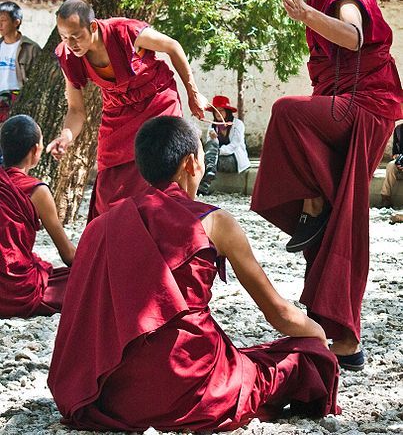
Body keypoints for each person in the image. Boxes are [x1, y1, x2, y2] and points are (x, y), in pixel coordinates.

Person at [48, 116, 339, 432]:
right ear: (191, 163)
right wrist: (318, 336)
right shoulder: (214, 222)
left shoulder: (101, 226)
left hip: (112, 396)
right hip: (193, 386)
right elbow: (279, 313)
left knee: (245, 355)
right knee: (306, 357)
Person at [251, 0, 403, 371]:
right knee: (339, 218)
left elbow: (354, 37)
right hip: (337, 102)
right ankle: (339, 338)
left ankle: (312, 209)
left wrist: (308, 17)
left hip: (365, 106)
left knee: (284, 111)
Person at [46, 0, 207, 221]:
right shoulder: (68, 56)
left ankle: (175, 221)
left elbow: (172, 46)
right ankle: (117, 231)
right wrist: (66, 136)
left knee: (166, 163)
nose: (71, 44)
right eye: (64, 37)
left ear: (92, 27)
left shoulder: (125, 31)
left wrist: (193, 92)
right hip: (118, 112)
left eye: (76, 36)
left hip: (157, 101)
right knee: (109, 181)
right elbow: (76, 109)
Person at [0, 115, 74, 318]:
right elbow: (68, 255)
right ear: (35, 150)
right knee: (86, 283)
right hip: (17, 292)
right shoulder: (37, 191)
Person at [198, 94, 250, 195]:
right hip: (217, 159)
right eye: (216, 111)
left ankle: (205, 183)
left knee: (208, 161)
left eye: (221, 110)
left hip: (233, 160)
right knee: (210, 145)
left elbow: (234, 145)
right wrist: (214, 139)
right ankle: (205, 184)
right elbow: (211, 145)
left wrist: (218, 151)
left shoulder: (238, 124)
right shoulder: (212, 126)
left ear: (227, 111)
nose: (218, 113)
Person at [0, 1, 41, 123]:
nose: (0, 24)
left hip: (17, 100)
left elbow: (37, 80)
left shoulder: (31, 48)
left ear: (16, 22)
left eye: (3, 20)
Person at [380, 123, 403, 208]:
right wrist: (398, 160)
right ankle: (385, 197)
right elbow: (395, 152)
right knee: (390, 165)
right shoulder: (399, 129)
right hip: (401, 160)